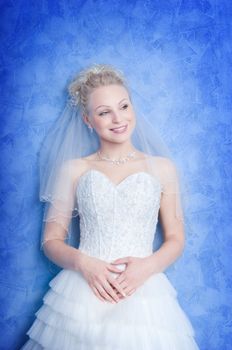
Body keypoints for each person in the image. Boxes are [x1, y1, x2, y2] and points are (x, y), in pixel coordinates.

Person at [20, 64, 200, 349]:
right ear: (88, 120)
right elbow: (51, 240)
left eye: (124, 106)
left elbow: (176, 239)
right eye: (104, 112)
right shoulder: (74, 169)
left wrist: (147, 267)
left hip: (144, 291)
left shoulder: (163, 168)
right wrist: (85, 263)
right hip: (82, 290)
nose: (118, 118)